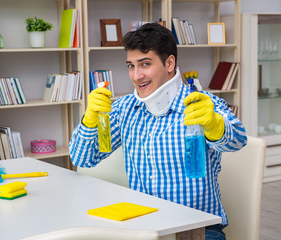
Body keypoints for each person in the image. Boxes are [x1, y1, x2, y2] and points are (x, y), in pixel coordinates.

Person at [69, 23, 247, 239]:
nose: (136, 75)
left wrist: (214, 125)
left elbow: (238, 139)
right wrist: (89, 121)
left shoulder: (201, 103)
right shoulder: (124, 108)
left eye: (145, 64)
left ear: (170, 62)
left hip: (196, 229)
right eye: (131, 66)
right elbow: (82, 158)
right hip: (143, 226)